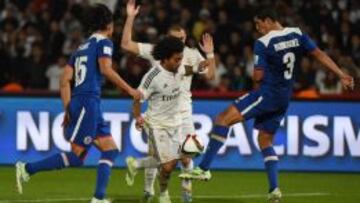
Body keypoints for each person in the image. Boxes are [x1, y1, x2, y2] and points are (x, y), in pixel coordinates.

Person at [179, 9, 354, 203]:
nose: (258, 28)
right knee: (265, 140)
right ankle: (274, 190)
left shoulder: (263, 43)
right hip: (284, 97)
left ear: (269, 20)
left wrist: (257, 71)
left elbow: (257, 76)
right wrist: (341, 74)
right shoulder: (296, 33)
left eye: (259, 24)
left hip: (267, 94)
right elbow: (319, 54)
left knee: (222, 119)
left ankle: (203, 168)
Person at [15, 4, 141, 203]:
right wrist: (131, 90)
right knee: (76, 157)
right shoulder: (105, 43)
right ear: (109, 25)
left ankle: (99, 198)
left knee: (111, 149)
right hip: (87, 103)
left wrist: (68, 107)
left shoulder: (80, 48)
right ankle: (27, 168)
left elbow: (64, 80)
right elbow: (107, 69)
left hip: (85, 103)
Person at [121, 0, 215, 202]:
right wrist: (130, 17)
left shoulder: (188, 56)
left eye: (181, 39)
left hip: (183, 114)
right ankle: (151, 191)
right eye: (175, 40)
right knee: (161, 160)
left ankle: (185, 196)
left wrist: (210, 55)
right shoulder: (157, 54)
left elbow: (208, 74)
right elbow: (126, 44)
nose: (179, 44)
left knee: (185, 157)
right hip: (158, 114)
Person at [133, 36, 185, 203]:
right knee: (167, 164)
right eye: (176, 59)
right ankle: (159, 192)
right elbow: (137, 97)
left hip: (175, 123)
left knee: (167, 167)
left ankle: (160, 191)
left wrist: (206, 60)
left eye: (181, 58)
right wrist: (137, 116)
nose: (179, 62)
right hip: (156, 124)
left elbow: (191, 69)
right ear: (165, 58)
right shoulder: (153, 76)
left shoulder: (181, 68)